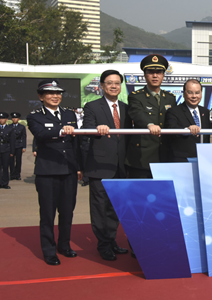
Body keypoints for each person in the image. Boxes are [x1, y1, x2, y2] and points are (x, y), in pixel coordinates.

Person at [27, 79, 82, 265]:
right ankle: (49, 251)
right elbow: (40, 134)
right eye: (50, 93)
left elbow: (75, 143)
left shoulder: (69, 114)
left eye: (58, 93)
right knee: (48, 213)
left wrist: (79, 166)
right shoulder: (34, 116)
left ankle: (64, 245)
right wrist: (61, 131)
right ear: (41, 96)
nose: (55, 96)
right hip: (47, 171)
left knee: (67, 212)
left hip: (68, 170)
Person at [82, 70, 131, 261]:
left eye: (117, 83)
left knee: (115, 208)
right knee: (100, 209)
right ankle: (103, 245)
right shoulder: (92, 106)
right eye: (109, 83)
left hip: (121, 167)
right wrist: (96, 130)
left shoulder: (126, 108)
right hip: (100, 166)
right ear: (102, 86)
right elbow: (86, 129)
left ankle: (111, 241)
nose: (113, 86)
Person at [126, 54, 176, 178]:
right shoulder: (136, 96)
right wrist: (150, 124)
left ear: (163, 75)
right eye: (151, 72)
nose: (155, 76)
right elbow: (137, 113)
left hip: (165, 155)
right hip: (142, 157)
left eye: (159, 72)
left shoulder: (170, 98)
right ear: (145, 75)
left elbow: (173, 118)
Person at [165, 79, 211, 161]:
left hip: (203, 158)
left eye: (197, 93)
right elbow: (171, 128)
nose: (194, 96)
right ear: (184, 94)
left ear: (201, 94)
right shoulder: (174, 111)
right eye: (190, 92)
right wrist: (187, 130)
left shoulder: (205, 111)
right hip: (182, 159)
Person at [9, 112, 26, 181]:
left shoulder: (21, 127)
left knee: (18, 161)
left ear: (18, 119)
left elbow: (24, 137)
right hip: (11, 146)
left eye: (15, 118)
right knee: (11, 161)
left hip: (19, 145)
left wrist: (24, 147)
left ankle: (17, 174)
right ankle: (12, 174)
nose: (14, 119)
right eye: (13, 118)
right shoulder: (9, 126)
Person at [0, 112, 15, 189]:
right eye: (0, 119)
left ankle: (5, 183)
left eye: (3, 119)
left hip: (6, 149)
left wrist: (12, 152)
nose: (1, 120)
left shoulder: (10, 129)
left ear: (6, 119)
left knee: (5, 167)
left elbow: (12, 141)